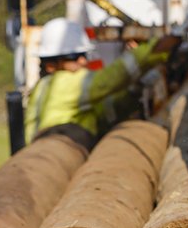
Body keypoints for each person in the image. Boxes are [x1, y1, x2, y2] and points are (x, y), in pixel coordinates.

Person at [25, 16, 173, 145]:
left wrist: (135, 89)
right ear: (51, 66)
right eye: (74, 57)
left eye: (84, 55)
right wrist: (154, 50)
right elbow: (112, 78)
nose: (83, 61)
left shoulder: (42, 87)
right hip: (61, 150)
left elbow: (107, 111)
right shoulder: (65, 83)